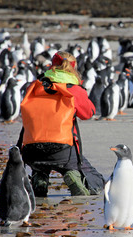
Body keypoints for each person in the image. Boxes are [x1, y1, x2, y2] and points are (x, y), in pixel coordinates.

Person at [17, 51, 105, 197]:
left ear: (52, 65)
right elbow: (88, 113)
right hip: (62, 151)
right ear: (73, 67)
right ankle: (73, 175)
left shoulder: (34, 86)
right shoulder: (74, 90)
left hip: (31, 151)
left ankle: (39, 177)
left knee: (41, 162)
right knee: (95, 178)